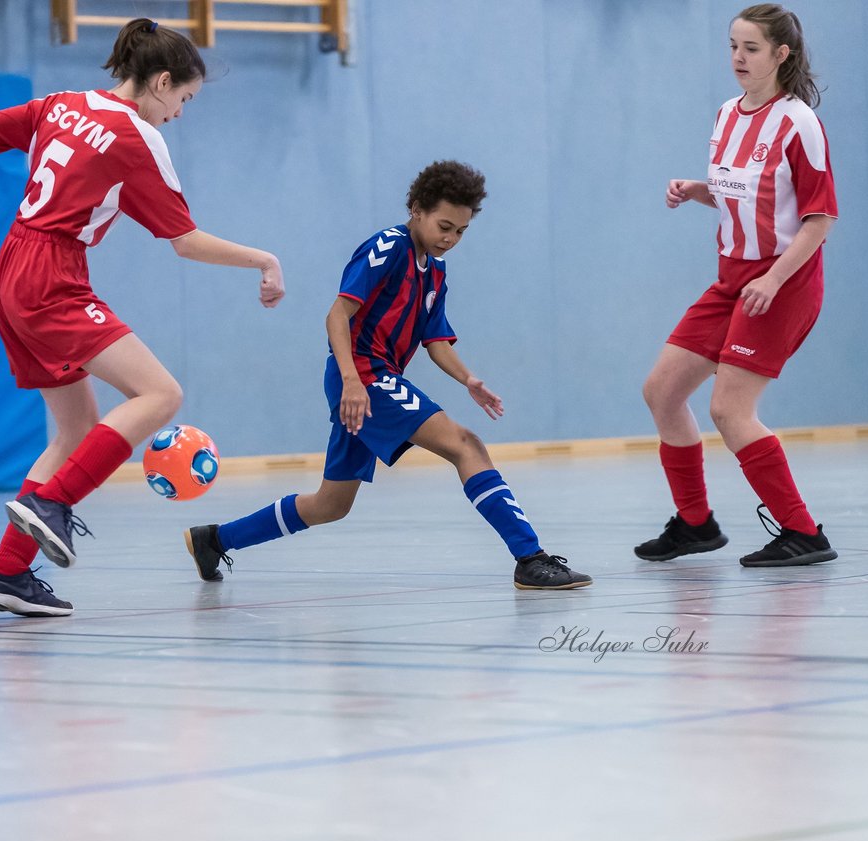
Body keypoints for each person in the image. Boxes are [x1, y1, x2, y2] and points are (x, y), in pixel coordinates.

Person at [0, 18, 285, 616]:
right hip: (52, 274)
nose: (179, 113)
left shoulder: (64, 105)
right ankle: (55, 504)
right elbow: (185, 240)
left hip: (10, 267)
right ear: (162, 81)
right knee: (161, 394)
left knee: (74, 432)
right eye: (184, 99)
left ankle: (6, 573)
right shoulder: (137, 138)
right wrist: (264, 259)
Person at [183, 161, 591, 590]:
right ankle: (530, 557)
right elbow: (336, 316)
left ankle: (213, 539)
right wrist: (353, 382)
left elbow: (436, 342)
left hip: (368, 380)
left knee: (330, 504)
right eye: (444, 226)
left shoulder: (435, 269)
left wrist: (467, 379)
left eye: (461, 232)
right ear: (416, 209)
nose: (450, 239)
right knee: (466, 445)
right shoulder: (387, 246)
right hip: (364, 376)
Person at [635, 3, 838, 567]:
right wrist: (698, 190)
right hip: (732, 280)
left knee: (730, 409)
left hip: (784, 280)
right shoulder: (727, 114)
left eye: (750, 48)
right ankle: (696, 525)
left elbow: (819, 221)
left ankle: (804, 533)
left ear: (781, 54)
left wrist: (773, 279)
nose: (738, 58)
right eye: (732, 46)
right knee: (662, 391)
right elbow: (744, 193)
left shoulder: (799, 123)